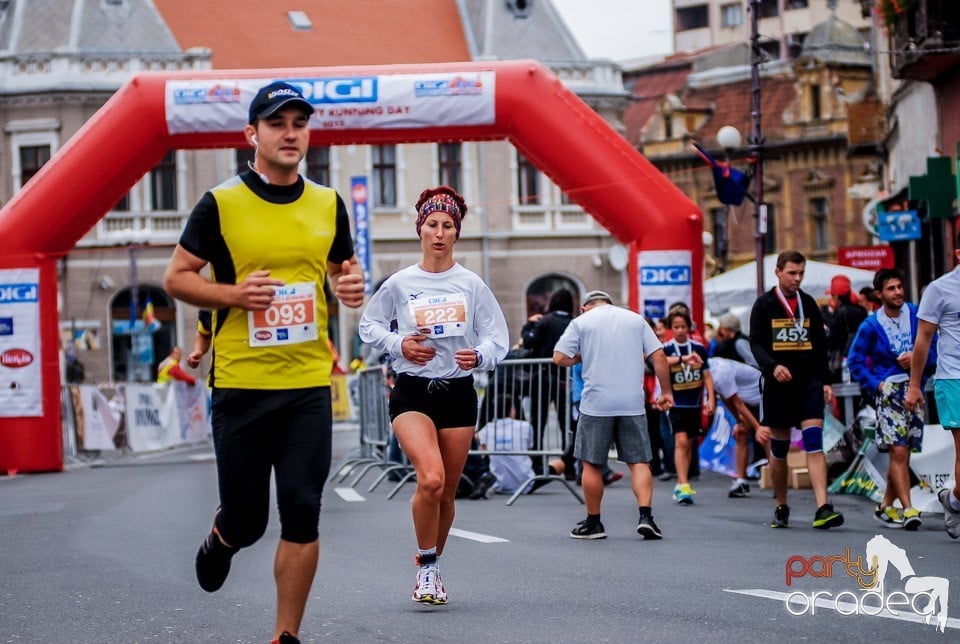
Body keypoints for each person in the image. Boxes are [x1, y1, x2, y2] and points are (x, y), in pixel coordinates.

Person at [162, 80, 365, 644]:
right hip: (242, 385)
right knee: (249, 518)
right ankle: (222, 538)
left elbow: (341, 269)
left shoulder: (328, 203)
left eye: (299, 123)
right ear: (252, 134)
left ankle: (286, 636)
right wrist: (234, 296)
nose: (291, 132)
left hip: (306, 384)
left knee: (302, 508)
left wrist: (349, 287)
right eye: (278, 123)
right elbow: (175, 278)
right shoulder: (221, 203)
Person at [358, 185, 510, 604]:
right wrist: (399, 344)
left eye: (447, 225)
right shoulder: (401, 282)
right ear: (419, 230)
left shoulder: (471, 283)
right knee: (431, 478)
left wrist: (477, 356)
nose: (439, 233)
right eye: (431, 225)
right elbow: (368, 326)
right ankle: (427, 570)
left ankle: (432, 564)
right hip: (412, 392)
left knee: (446, 493)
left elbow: (499, 339)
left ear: (456, 233)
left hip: (458, 393)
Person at [553, 290, 673, 540]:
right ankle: (646, 516)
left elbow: (559, 357)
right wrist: (667, 392)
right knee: (639, 461)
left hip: (596, 403)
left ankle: (594, 522)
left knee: (591, 463)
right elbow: (658, 355)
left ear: (586, 307)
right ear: (610, 303)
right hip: (631, 401)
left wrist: (579, 358)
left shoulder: (581, 322)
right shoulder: (634, 319)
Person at [749, 250, 843, 530]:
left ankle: (822, 507)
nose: (797, 279)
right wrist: (772, 366)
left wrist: (826, 381)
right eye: (792, 273)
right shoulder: (764, 305)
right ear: (778, 272)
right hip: (778, 387)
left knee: (815, 443)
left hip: (808, 384)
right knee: (780, 450)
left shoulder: (809, 303)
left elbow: (820, 346)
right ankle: (781, 504)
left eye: (801, 273)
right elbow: (755, 343)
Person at [848, 268, 937, 530]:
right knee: (898, 450)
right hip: (889, 393)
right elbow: (855, 361)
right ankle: (908, 509)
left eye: (900, 286)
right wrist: (876, 385)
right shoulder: (871, 325)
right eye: (891, 288)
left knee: (904, 451)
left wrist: (918, 358)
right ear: (879, 294)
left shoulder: (916, 313)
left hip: (916, 388)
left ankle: (885, 506)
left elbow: (935, 345)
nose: (897, 292)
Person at [906, 232, 960, 540]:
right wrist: (915, 385)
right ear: (958, 254)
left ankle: (953, 501)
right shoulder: (939, 290)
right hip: (954, 379)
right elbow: (923, 339)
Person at [662, 309, 714, 505]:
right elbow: (659, 362)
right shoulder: (667, 348)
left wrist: (710, 399)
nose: (680, 330)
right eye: (676, 327)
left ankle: (680, 480)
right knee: (681, 442)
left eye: (683, 326)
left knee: (689, 443)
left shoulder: (698, 348)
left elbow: (707, 374)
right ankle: (683, 485)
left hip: (694, 403)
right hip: (676, 403)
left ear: (689, 327)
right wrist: (683, 359)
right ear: (671, 328)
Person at [520, 288, 574, 475]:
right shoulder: (574, 323)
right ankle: (570, 466)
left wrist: (528, 325)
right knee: (566, 422)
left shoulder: (545, 321)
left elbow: (528, 341)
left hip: (541, 378)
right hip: (565, 379)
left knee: (538, 421)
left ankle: (536, 465)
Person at [708, 357, 765, 498]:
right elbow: (725, 398)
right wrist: (738, 422)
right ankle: (741, 481)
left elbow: (737, 403)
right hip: (746, 400)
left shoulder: (720, 373)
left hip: (761, 398)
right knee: (740, 433)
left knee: (766, 436)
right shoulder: (710, 373)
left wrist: (758, 428)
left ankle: (777, 483)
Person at [475, 393, 536, 497]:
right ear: (512, 409)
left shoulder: (487, 428)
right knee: (559, 464)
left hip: (498, 482)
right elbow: (530, 452)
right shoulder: (525, 426)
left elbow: (483, 453)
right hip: (526, 482)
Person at [825, 274, 867, 384]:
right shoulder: (861, 310)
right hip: (861, 361)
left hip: (844, 364)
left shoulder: (840, 313)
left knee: (844, 398)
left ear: (836, 296)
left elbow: (833, 341)